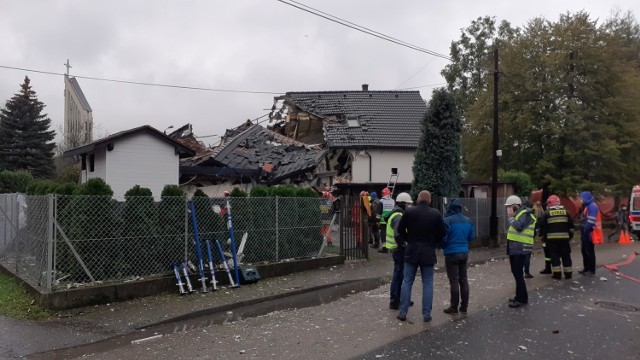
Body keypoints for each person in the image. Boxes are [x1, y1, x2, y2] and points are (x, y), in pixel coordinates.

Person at [396, 190, 446, 322]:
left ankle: (402, 312)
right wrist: (433, 242)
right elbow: (442, 232)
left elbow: (400, 230)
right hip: (428, 251)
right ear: (429, 201)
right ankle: (426, 314)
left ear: (418, 199)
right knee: (428, 283)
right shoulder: (435, 214)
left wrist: (409, 239)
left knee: (407, 281)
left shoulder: (409, 212)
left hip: (411, 250)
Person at [441, 198, 475, 315]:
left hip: (451, 253)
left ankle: (453, 307)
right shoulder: (468, 220)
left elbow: (443, 238)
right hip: (464, 252)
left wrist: (443, 246)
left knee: (454, 280)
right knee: (463, 279)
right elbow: (471, 237)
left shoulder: (448, 220)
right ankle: (464, 307)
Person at [504, 195, 536, 308]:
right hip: (515, 248)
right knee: (516, 273)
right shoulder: (519, 214)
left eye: (510, 207)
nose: (509, 209)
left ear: (516, 206)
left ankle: (522, 299)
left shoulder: (525, 214)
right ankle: (519, 296)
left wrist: (510, 218)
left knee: (518, 273)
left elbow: (519, 227)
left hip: (521, 248)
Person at [385, 192, 413, 310]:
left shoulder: (396, 214)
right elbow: (398, 234)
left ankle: (399, 298)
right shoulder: (398, 216)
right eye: (407, 204)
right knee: (398, 274)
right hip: (398, 249)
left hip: (395, 248)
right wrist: (403, 244)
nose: (409, 206)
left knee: (399, 274)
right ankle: (395, 300)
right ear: (402, 203)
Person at [536, 195, 574, 279]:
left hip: (551, 240)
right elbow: (571, 226)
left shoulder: (546, 213)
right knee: (566, 256)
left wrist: (542, 236)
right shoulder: (566, 212)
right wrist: (570, 236)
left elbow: (541, 226)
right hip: (564, 239)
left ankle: (557, 275)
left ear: (549, 203)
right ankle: (568, 274)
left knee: (555, 256)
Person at [579, 191, 601, 276]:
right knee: (584, 250)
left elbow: (591, 221)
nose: (580, 200)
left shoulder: (592, 206)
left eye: (581, 198)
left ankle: (591, 270)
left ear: (586, 198)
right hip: (586, 231)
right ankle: (586, 268)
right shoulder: (588, 206)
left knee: (589, 251)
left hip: (589, 232)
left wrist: (586, 230)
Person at [378, 187, 395, 253]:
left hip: (383, 221)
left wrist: (377, 221)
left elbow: (379, 212)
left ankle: (384, 248)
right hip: (391, 220)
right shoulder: (393, 201)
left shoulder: (381, 201)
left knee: (383, 235)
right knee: (391, 234)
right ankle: (392, 248)